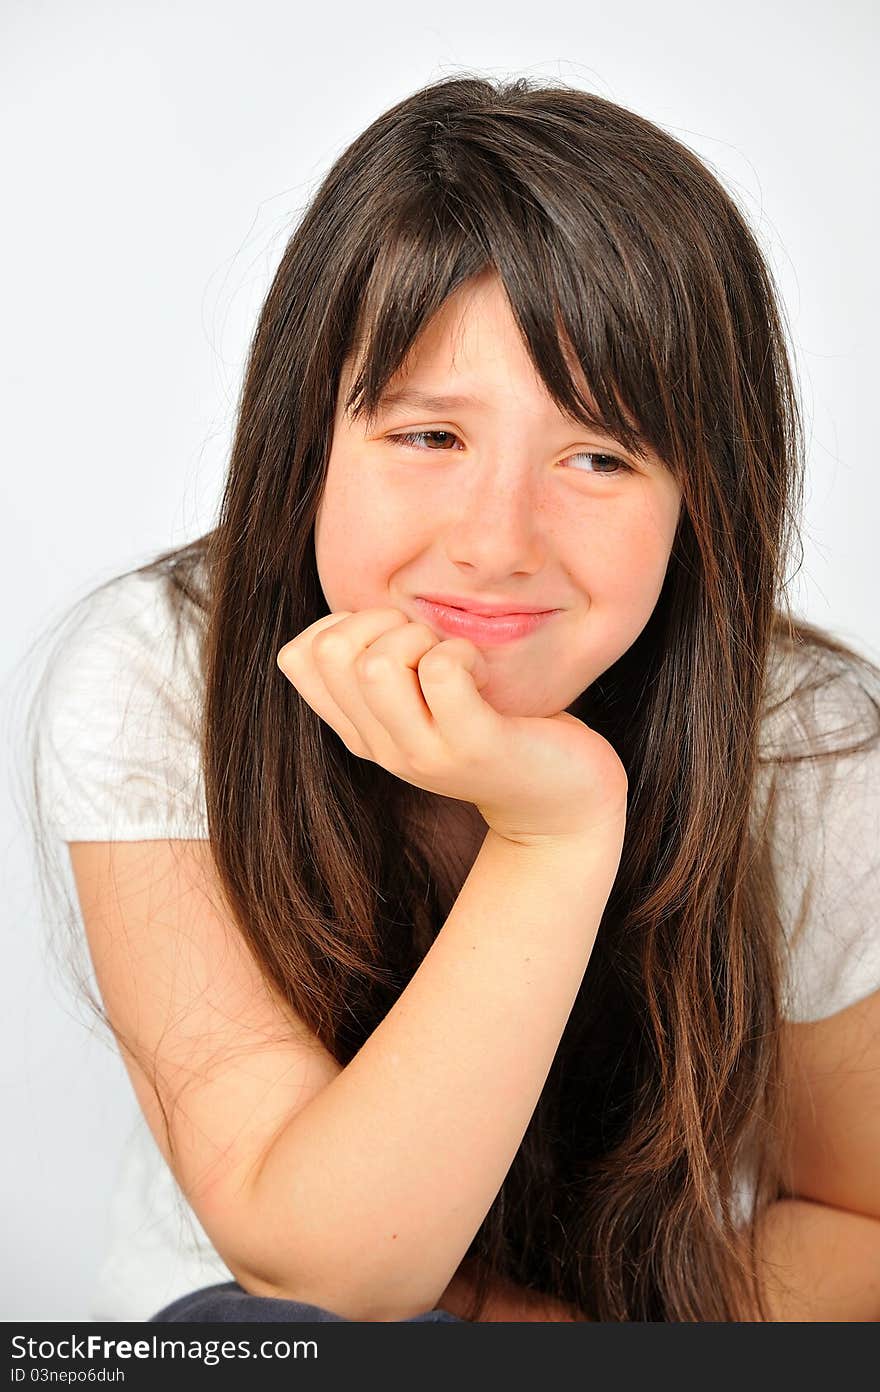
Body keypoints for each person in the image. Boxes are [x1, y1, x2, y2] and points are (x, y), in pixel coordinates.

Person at [26, 74, 880, 1324]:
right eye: (430, 437)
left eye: (596, 457)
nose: (497, 542)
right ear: (307, 441)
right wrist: (553, 832)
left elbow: (862, 1231)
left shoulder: (805, 750)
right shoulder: (160, 672)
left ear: (703, 503)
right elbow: (326, 1272)